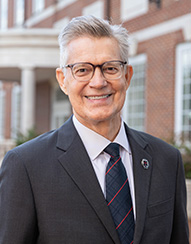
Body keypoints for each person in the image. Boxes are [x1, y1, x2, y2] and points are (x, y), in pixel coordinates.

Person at [0, 15, 189, 244]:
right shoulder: (26, 166)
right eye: (82, 70)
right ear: (63, 80)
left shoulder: (167, 160)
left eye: (110, 68)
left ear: (127, 76)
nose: (98, 82)